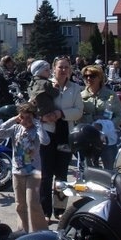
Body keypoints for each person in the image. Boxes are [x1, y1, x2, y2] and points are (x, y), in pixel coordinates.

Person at [39, 56, 84, 222]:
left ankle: (59, 209)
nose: (63, 70)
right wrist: (43, 117)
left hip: (66, 134)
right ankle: (45, 211)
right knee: (46, 174)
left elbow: (78, 111)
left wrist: (61, 113)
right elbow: (33, 105)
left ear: (70, 70)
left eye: (66, 67)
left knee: (62, 174)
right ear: (54, 69)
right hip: (47, 134)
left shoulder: (75, 88)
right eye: (60, 67)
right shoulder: (44, 85)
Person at [0, 102, 49, 232]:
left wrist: (37, 124)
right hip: (17, 171)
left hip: (33, 171)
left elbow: (45, 141)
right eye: (22, 117)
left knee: (33, 202)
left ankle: (40, 231)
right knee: (20, 204)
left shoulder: (36, 130)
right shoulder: (16, 128)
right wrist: (14, 119)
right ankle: (22, 231)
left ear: (34, 117)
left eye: (28, 118)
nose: (25, 121)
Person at [79, 64, 121, 169]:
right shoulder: (80, 96)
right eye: (86, 76)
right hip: (88, 138)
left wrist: (106, 126)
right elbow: (77, 116)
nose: (88, 78)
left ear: (100, 77)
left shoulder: (110, 95)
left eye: (92, 76)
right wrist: (90, 121)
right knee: (89, 170)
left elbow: (120, 116)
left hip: (107, 138)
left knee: (110, 169)